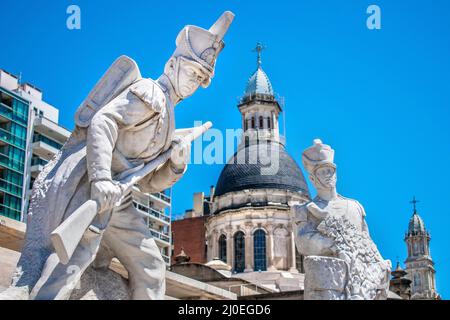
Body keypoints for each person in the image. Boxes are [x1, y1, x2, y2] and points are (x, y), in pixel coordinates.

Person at [2, 11, 234, 300]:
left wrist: (175, 165)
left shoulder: (169, 117)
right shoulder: (150, 93)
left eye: (200, 78)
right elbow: (102, 122)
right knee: (71, 261)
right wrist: (100, 179)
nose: (194, 82)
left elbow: (146, 183)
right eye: (192, 72)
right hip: (90, 189)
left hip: (119, 200)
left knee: (150, 266)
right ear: (173, 64)